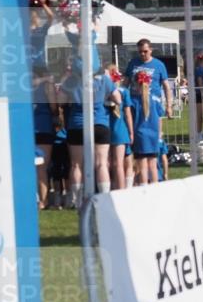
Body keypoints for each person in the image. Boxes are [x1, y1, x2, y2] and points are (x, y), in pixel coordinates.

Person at [59, 60, 119, 205]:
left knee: (76, 165)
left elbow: (60, 101)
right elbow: (118, 98)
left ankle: (75, 200)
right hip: (100, 123)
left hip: (77, 124)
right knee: (102, 164)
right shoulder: (104, 79)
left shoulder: (72, 80)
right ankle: (105, 198)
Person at [125, 39, 174, 120]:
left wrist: (169, 106)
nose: (142, 54)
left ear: (151, 50)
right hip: (134, 104)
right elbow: (125, 84)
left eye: (145, 51)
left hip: (153, 104)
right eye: (140, 51)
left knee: (156, 130)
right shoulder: (132, 63)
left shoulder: (159, 65)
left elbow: (166, 87)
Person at [32, 65, 58, 209]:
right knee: (42, 167)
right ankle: (43, 201)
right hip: (43, 126)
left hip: (28, 126)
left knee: (28, 166)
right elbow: (53, 106)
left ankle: (33, 198)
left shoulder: (22, 84)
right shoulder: (47, 84)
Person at [106, 64, 134, 190]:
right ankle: (122, 190)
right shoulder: (124, 91)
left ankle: (110, 188)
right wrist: (131, 132)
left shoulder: (104, 91)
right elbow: (128, 114)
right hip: (120, 129)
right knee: (119, 164)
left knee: (108, 163)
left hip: (107, 128)